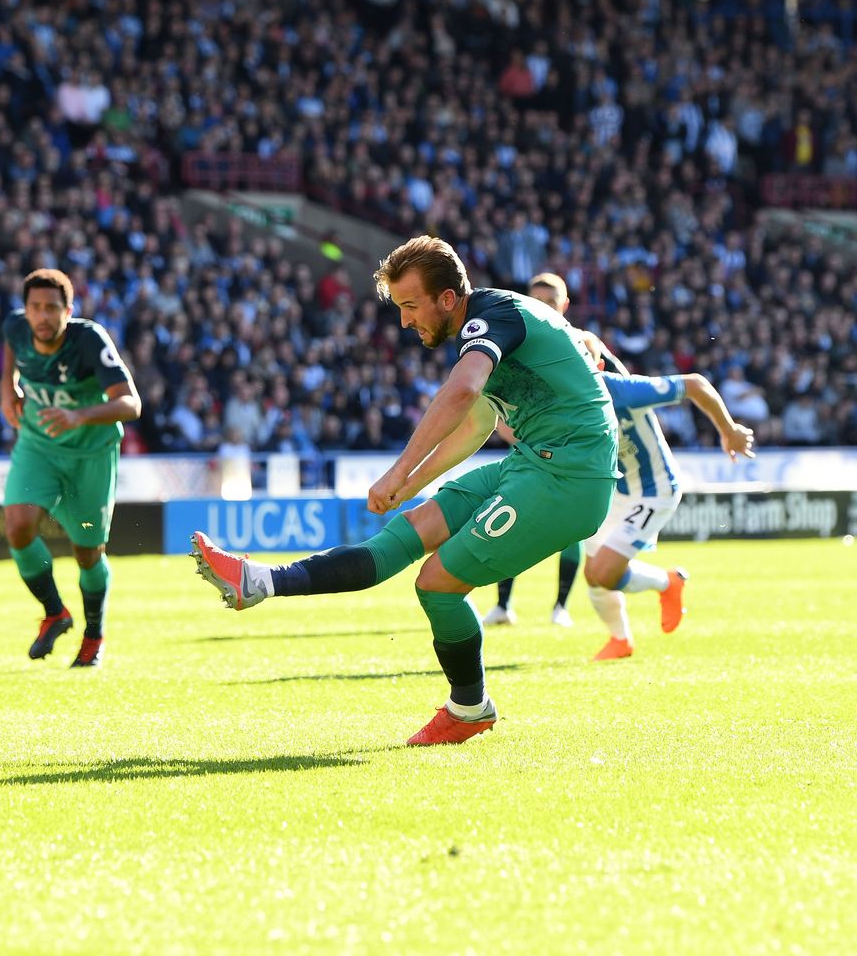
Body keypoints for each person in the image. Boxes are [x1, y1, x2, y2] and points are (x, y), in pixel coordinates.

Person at [191, 236, 619, 745]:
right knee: (407, 531)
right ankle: (259, 580)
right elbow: (474, 423)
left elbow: (460, 393)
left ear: (447, 299)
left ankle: (469, 708)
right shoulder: (487, 326)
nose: (404, 321)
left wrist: (396, 472)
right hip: (534, 462)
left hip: (568, 478)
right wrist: (411, 486)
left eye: (410, 306)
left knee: (437, 584)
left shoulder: (493, 316)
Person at [578, 339, 756, 660]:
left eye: (583, 361)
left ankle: (668, 582)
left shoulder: (619, 389)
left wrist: (727, 430)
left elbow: (695, 383)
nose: (575, 369)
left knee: (605, 573)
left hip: (653, 489)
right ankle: (621, 640)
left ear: (599, 366)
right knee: (592, 575)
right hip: (613, 490)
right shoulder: (562, 399)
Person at [1, 268, 141, 667]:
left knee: (87, 553)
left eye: (51, 308)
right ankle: (55, 613)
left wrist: (80, 416)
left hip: (90, 455)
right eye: (35, 308)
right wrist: (6, 390)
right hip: (39, 446)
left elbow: (131, 404)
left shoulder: (88, 340)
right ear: (25, 310)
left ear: (68, 310)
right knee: (17, 526)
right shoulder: (15, 327)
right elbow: (10, 350)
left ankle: (93, 636)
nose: (42, 317)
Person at [482, 273, 586, 629]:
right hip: (529, 453)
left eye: (550, 304)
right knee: (510, 526)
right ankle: (503, 606)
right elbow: (497, 414)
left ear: (565, 306)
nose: (542, 309)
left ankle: (560, 607)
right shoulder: (514, 345)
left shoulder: (581, 343)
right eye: (536, 301)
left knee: (571, 531)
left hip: (573, 457)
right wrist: (529, 439)